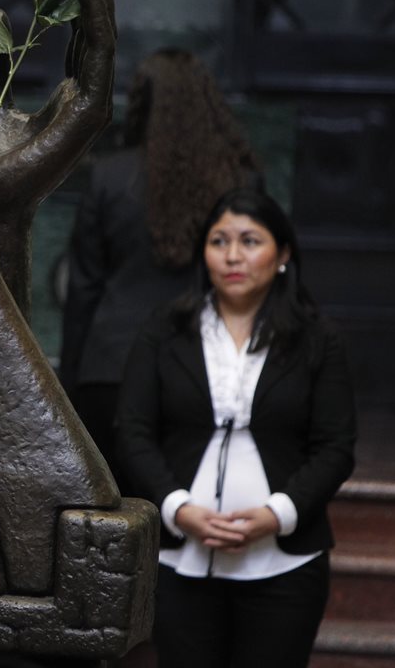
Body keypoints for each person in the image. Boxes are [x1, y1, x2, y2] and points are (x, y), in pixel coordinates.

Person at [117, 187, 356, 667]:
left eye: (250, 241)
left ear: (283, 253)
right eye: (219, 240)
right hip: (180, 557)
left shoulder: (317, 339)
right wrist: (179, 508)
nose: (232, 256)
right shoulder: (165, 329)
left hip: (285, 561)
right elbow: (132, 431)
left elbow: (335, 447)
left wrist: (277, 514)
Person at [59, 48, 260, 487]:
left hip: (110, 371)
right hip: (204, 372)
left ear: (141, 104)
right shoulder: (239, 182)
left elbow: (84, 289)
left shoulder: (110, 177)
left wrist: (70, 380)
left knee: (114, 525)